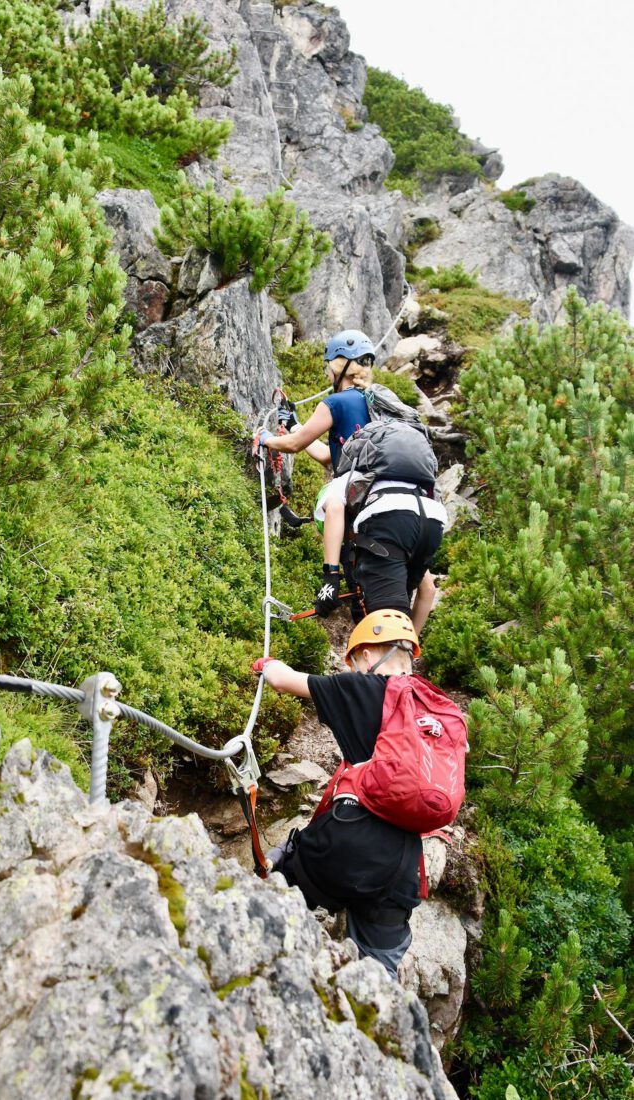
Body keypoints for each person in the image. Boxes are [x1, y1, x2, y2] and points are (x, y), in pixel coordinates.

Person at [252, 609, 424, 979]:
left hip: (346, 846)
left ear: (365, 654)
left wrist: (267, 664)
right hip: (403, 864)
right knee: (380, 973)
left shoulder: (362, 688)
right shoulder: (432, 707)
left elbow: (283, 680)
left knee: (274, 887)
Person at [260, 330, 445, 627]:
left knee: (332, 499)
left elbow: (295, 447)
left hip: (371, 504)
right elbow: (328, 456)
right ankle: (412, 648)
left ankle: (330, 577)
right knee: (425, 587)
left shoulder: (336, 402)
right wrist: (296, 426)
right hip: (416, 507)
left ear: (338, 366)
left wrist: (266, 438)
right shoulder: (380, 407)